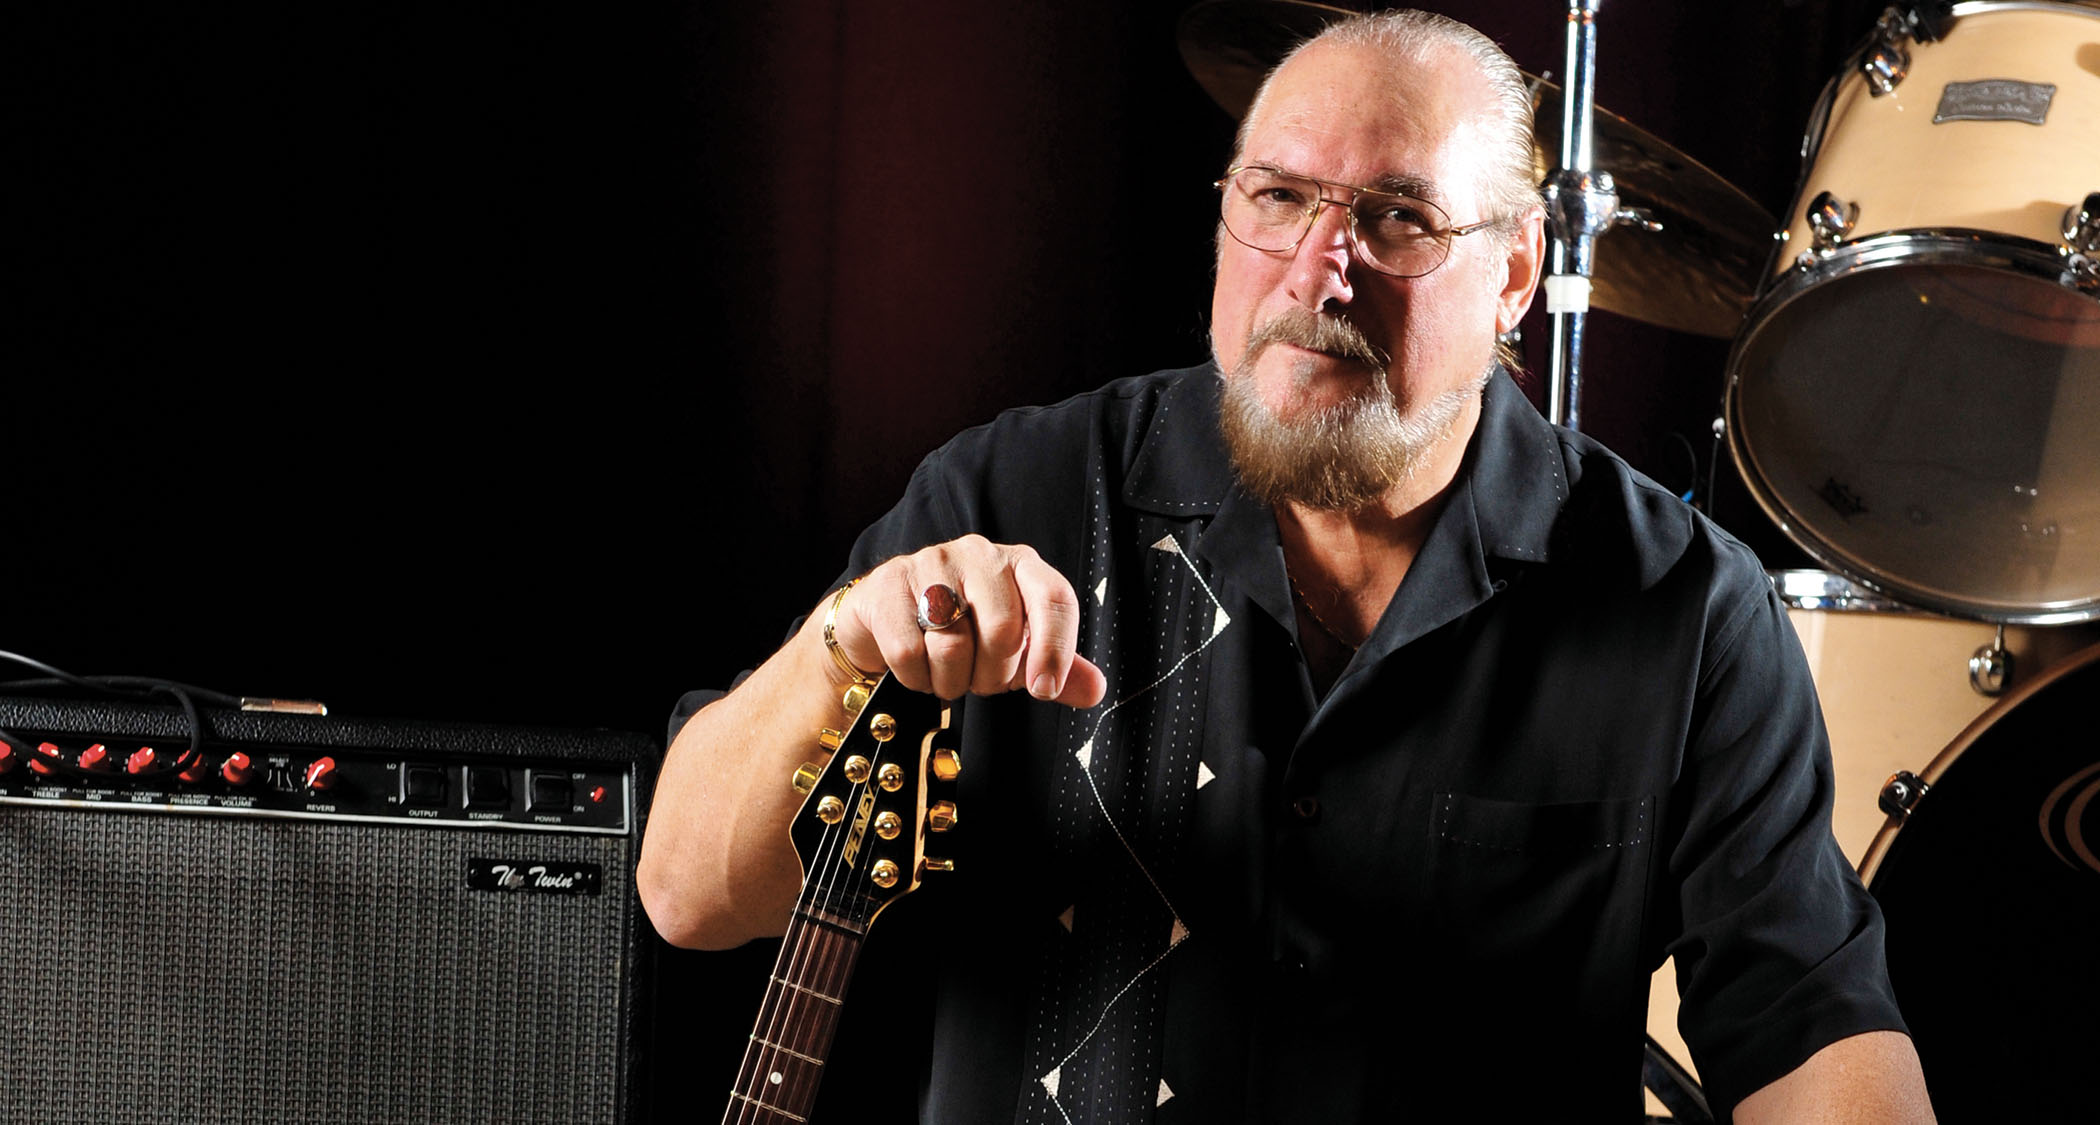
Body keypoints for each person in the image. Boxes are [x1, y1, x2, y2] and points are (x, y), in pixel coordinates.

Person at [639, 9, 1934, 1121]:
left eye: (1397, 219)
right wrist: (844, 645)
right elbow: (687, 892)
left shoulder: (1686, 608)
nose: (1322, 267)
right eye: (1278, 199)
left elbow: (1810, 1028)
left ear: (1517, 273)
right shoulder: (1016, 494)